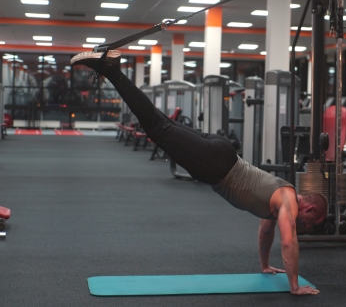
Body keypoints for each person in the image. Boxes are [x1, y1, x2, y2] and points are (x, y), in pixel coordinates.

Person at [71, 50, 326, 296]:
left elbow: (265, 233)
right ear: (311, 209)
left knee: (161, 123)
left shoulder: (282, 194)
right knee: (157, 128)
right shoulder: (288, 202)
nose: (306, 226)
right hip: (216, 166)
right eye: (311, 223)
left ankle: (113, 70)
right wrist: (294, 285)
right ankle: (113, 71)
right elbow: (289, 242)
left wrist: (264, 265)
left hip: (221, 154)